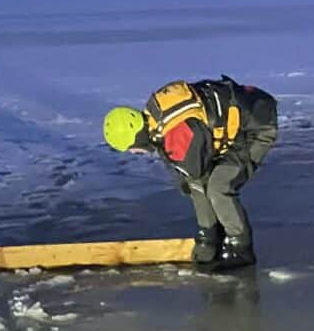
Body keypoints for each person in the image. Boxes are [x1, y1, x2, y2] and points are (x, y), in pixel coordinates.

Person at [103, 77, 279, 271]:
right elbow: (193, 180)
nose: (134, 153)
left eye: (131, 149)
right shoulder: (157, 121)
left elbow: (196, 177)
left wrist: (207, 238)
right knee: (201, 183)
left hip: (254, 129)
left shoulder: (176, 136)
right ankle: (215, 237)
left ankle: (241, 248)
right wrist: (208, 239)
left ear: (137, 138)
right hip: (240, 121)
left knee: (219, 186)